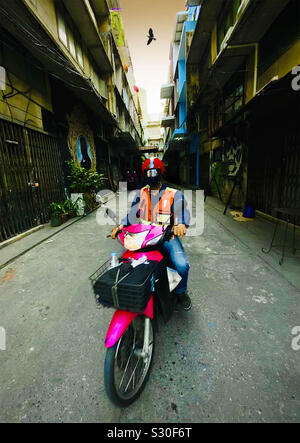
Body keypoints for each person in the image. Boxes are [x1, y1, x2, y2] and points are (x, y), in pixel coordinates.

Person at [111, 158, 192, 311]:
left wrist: (181, 224)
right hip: (144, 237)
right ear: (144, 175)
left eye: (154, 172)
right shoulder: (140, 193)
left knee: (182, 265)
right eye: (148, 173)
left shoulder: (175, 194)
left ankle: (181, 292)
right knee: (127, 261)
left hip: (167, 237)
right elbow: (132, 214)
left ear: (160, 173)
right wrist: (120, 226)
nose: (151, 175)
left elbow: (182, 212)